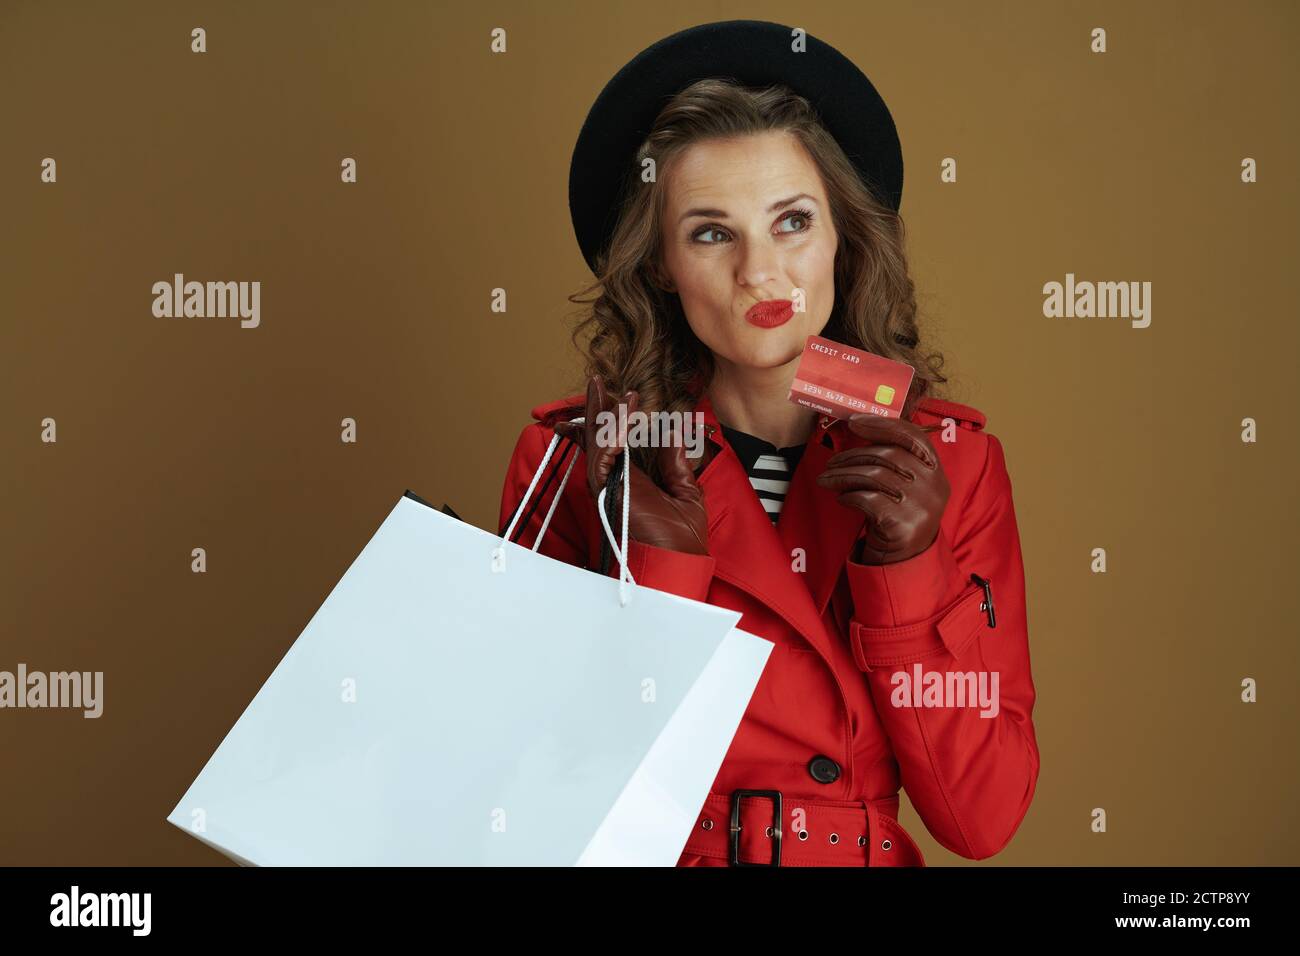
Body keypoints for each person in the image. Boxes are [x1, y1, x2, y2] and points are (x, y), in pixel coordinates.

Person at [498, 20, 1039, 867]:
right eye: (711, 232)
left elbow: (982, 817)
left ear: (842, 237)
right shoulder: (575, 457)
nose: (761, 271)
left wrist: (909, 571)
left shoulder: (952, 464)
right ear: (660, 268)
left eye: (792, 221)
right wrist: (658, 573)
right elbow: (535, 805)